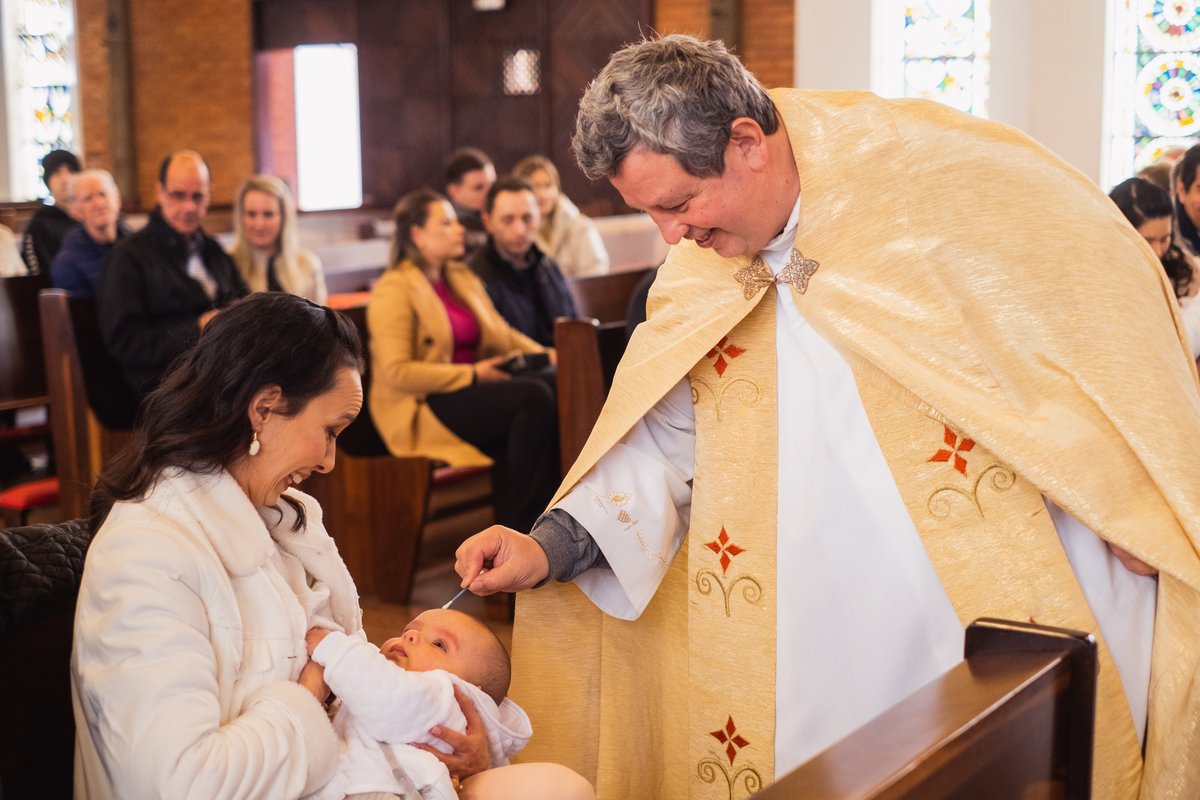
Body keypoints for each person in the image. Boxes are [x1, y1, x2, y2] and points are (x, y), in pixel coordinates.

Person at [454, 35, 1200, 799]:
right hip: (799, 622)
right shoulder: (704, 268)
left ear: (746, 143)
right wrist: (550, 546)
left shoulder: (932, 171)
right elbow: (669, 442)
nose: (671, 237)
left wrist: (1131, 490)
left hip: (967, 596)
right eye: (650, 213)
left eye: (677, 205)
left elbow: (1092, 309)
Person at [72, 293, 496, 799]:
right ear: (265, 409)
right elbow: (182, 784)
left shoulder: (284, 521)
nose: (329, 461)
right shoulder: (146, 554)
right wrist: (312, 693)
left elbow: (352, 691)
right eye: (329, 431)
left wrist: (443, 742)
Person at [368, 189, 560, 535]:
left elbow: (503, 334)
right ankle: (521, 530)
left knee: (553, 382)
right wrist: (472, 374)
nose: (459, 229)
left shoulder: (459, 278)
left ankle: (556, 517)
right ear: (417, 235)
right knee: (533, 398)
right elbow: (398, 373)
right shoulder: (394, 289)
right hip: (425, 404)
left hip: (471, 391)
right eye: (446, 223)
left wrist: (551, 353)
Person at [304, 609, 595, 800]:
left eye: (439, 644)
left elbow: (391, 695)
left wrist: (333, 648)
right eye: (409, 629)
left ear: (467, 689)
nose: (410, 635)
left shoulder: (444, 695)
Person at [97, 150, 248, 396]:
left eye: (198, 196)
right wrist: (197, 328)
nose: (189, 206)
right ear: (160, 193)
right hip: (165, 387)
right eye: (178, 195)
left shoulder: (213, 250)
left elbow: (244, 304)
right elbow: (125, 341)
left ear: (209, 195)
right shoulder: (129, 256)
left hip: (222, 374)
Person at [470, 176, 577, 347]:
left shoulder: (547, 266)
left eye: (527, 218)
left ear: (539, 217)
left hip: (562, 365)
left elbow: (574, 327)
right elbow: (495, 346)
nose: (519, 230)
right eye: (508, 220)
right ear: (488, 222)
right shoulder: (476, 277)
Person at [229, 174, 328, 304]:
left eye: (268, 214)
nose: (259, 224)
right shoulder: (229, 264)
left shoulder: (308, 265)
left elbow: (322, 321)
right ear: (241, 216)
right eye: (251, 214)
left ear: (284, 218)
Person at [512, 154, 610, 278]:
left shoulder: (580, 227)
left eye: (548, 185)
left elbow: (595, 277)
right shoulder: (518, 233)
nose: (544, 194)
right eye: (535, 186)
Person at [49, 169, 129, 298]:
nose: (99, 203)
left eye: (103, 194)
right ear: (76, 210)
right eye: (88, 198)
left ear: (117, 199)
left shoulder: (137, 246)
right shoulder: (67, 263)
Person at [22, 148, 80, 273]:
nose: (65, 179)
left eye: (71, 170)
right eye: (57, 172)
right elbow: (39, 275)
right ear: (48, 181)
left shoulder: (88, 220)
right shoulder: (40, 226)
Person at [445, 147, 496, 256]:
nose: (489, 193)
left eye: (492, 185)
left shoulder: (498, 217)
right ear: (454, 192)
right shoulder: (452, 232)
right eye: (478, 187)